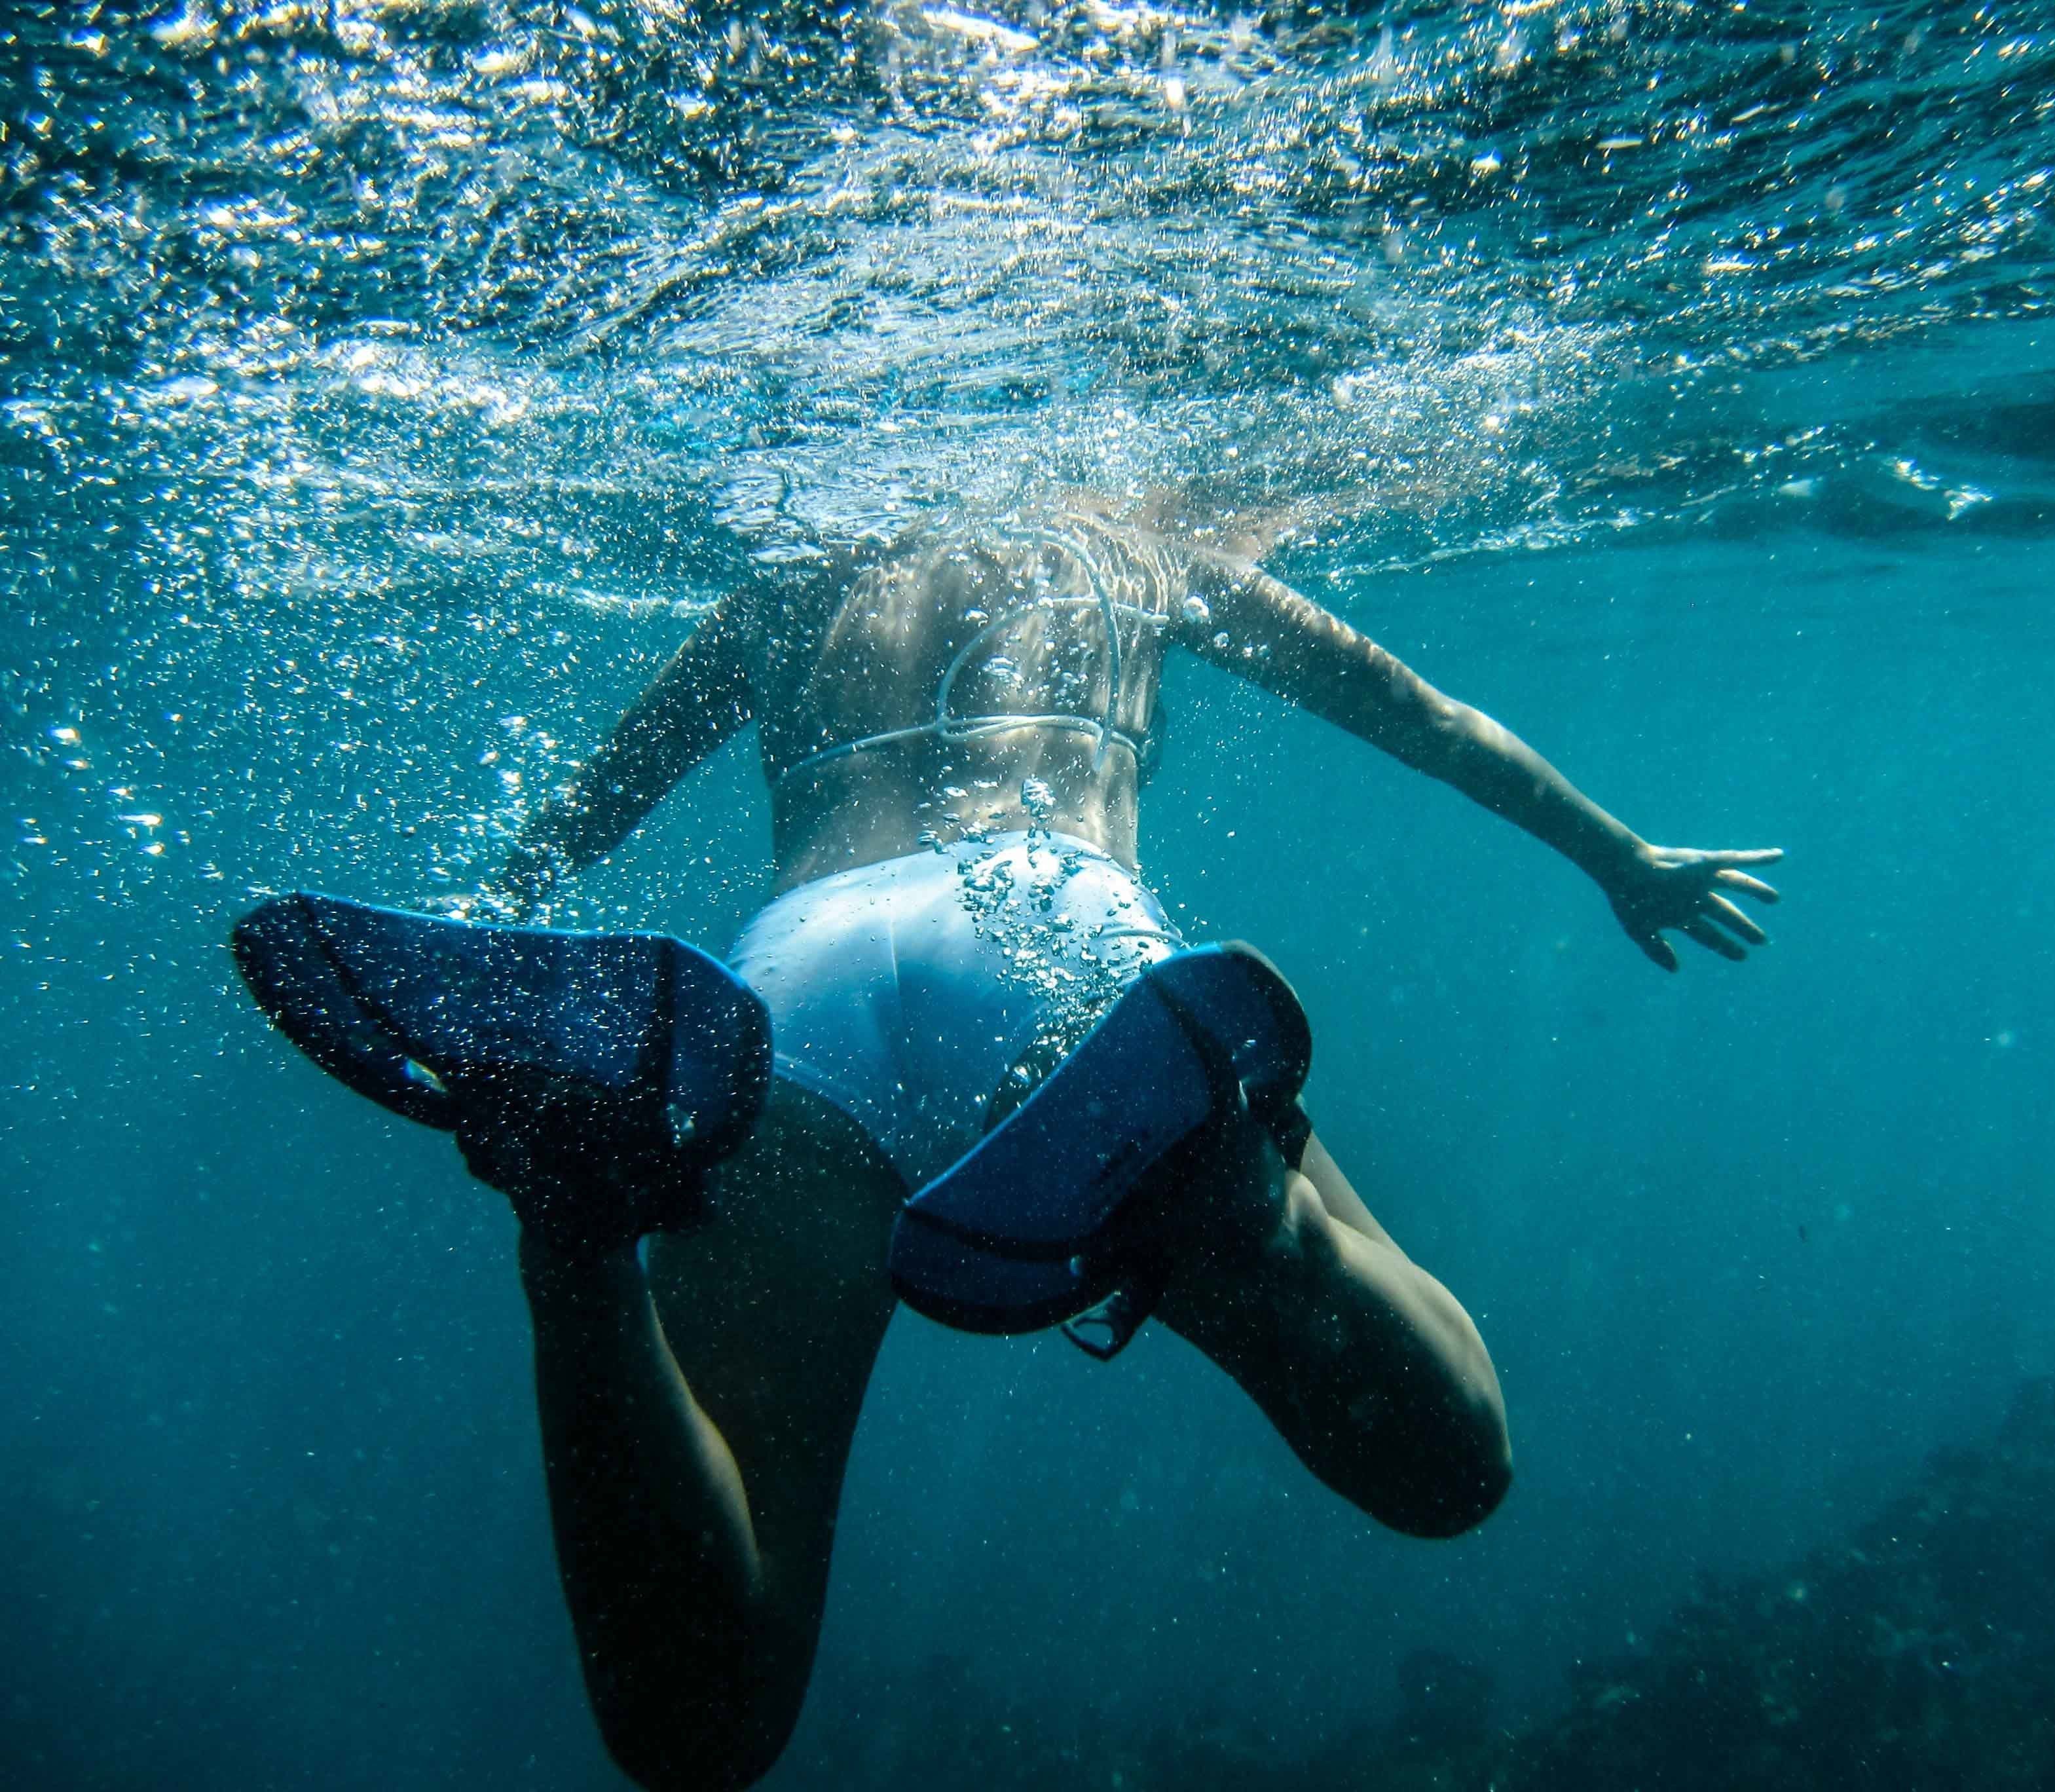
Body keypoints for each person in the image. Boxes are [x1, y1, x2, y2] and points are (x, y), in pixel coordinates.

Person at [299, 496, 1779, 1792]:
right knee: (1453, 1465)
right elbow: (1429, 722)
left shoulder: (779, 587)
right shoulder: (1137, 542)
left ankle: (572, 1246)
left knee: (698, 1733)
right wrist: (1620, 858)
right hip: (1055, 945)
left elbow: (577, 817)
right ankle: (1250, 1222)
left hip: (789, 987)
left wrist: (484, 951)